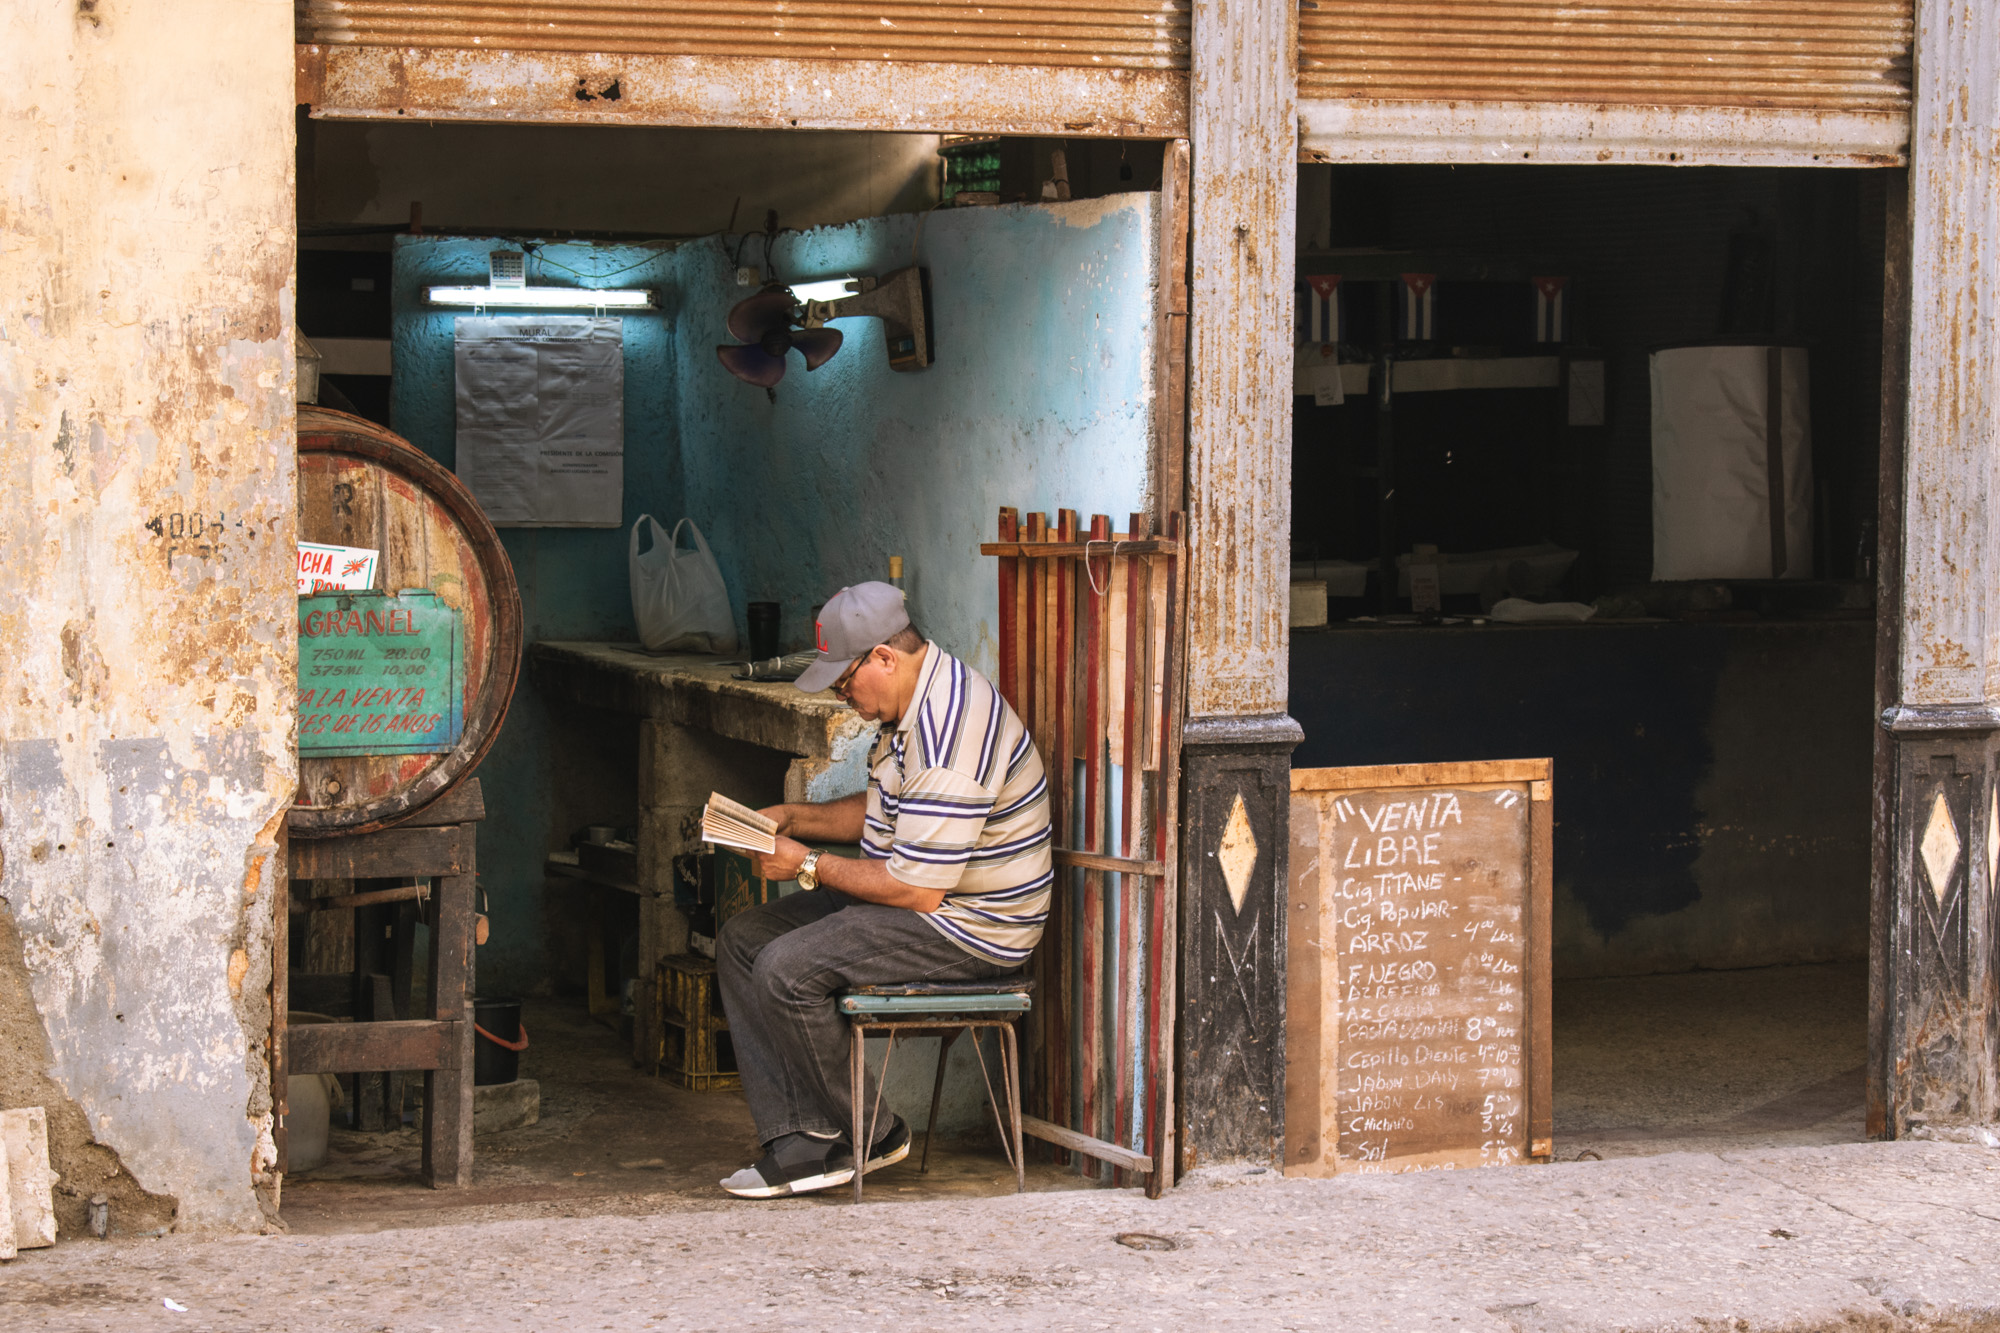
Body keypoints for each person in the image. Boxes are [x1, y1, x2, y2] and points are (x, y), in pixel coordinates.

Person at [715, 581, 1052, 1198]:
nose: (847, 700)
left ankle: (872, 1132)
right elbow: (882, 817)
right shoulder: (907, 708)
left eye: (846, 684)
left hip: (973, 926)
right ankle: (805, 1138)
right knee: (744, 941)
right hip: (925, 899)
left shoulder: (950, 726)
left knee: (787, 969)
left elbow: (915, 891)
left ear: (884, 658)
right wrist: (795, 818)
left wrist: (805, 863)